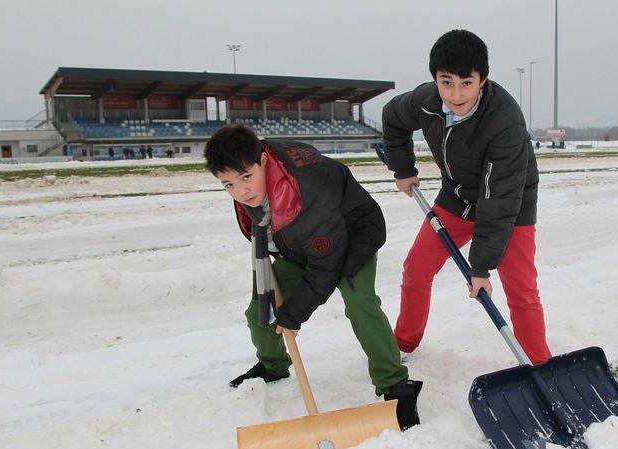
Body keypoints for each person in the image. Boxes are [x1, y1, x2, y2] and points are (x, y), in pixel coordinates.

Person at [204, 125, 422, 429]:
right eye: (228, 184)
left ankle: (395, 383)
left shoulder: (302, 192)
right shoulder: (254, 180)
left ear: (263, 160)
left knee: (360, 303)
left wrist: (293, 314)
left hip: (352, 234)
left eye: (245, 178)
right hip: (303, 246)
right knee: (260, 311)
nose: (241, 191)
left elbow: (325, 267)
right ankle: (274, 366)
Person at [381, 29, 552, 365]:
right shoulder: (425, 102)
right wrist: (402, 168)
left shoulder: (505, 124)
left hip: (511, 205)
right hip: (457, 198)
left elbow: (498, 201)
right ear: (434, 79)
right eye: (446, 82)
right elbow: (392, 117)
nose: (456, 94)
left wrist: (481, 268)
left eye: (466, 83)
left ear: (482, 80)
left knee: (521, 289)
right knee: (416, 267)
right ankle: (403, 342)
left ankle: (539, 364)